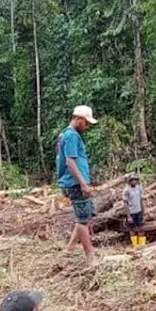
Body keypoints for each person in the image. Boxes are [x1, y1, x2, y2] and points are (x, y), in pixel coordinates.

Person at [56, 105, 98, 259]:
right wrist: (83, 183)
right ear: (78, 119)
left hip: (75, 182)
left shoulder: (66, 135)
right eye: (86, 123)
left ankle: (70, 249)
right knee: (82, 221)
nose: (87, 127)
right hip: (75, 184)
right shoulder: (71, 136)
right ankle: (90, 257)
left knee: (87, 215)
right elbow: (70, 162)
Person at [123, 175, 145, 246]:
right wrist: (128, 216)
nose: (134, 182)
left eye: (135, 180)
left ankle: (141, 245)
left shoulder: (139, 188)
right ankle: (135, 245)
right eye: (132, 180)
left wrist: (143, 212)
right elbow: (125, 203)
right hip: (132, 212)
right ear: (129, 181)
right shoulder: (126, 190)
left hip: (139, 211)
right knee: (132, 230)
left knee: (141, 229)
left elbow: (141, 201)